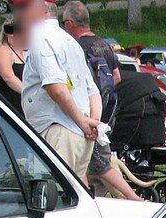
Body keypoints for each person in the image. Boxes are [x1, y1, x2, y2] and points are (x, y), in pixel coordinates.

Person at [62, 1, 143, 201]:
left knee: (99, 164)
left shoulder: (75, 47)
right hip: (106, 114)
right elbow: (117, 77)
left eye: (64, 23)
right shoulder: (102, 44)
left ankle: (135, 199)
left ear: (71, 23)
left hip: (85, 117)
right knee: (91, 165)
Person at [17, 0, 102, 180]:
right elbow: (92, 91)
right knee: (74, 201)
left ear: (45, 8)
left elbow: (56, 89)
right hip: (79, 136)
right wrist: (92, 122)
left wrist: (85, 123)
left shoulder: (41, 37)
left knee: (52, 200)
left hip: (58, 132)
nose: (19, 14)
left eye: (24, 7)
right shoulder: (70, 40)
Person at [0, 19, 28, 116]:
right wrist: (29, 93)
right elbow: (9, 78)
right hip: (7, 110)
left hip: (24, 108)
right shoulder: (3, 50)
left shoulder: (25, 51)